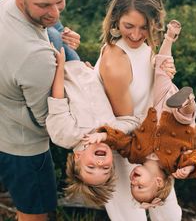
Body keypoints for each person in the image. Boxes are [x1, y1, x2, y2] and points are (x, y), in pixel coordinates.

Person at [84, 20, 196, 208]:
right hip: (176, 118)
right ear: (158, 182)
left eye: (132, 186)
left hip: (155, 107)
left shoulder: (135, 155)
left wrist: (103, 134)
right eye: (139, 187)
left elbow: (121, 141)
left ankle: (169, 38)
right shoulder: (174, 165)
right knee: (184, 114)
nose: (133, 182)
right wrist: (190, 168)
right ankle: (188, 100)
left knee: (161, 71)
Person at [45, 28, 175, 207]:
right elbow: (132, 121)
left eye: (91, 167)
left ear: (78, 158)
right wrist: (92, 74)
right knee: (55, 26)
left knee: (50, 32)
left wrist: (59, 67)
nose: (99, 162)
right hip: (77, 63)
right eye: (105, 168)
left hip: (60, 69)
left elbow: (57, 100)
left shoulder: (66, 136)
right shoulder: (111, 130)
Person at [94, 0, 182, 221]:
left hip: (151, 141)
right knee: (131, 218)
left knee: (170, 215)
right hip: (126, 148)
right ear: (116, 20)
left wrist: (160, 70)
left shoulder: (144, 48)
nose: (136, 34)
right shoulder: (115, 62)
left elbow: (149, 90)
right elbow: (128, 123)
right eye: (128, 26)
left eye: (144, 27)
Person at [0, 0, 80, 221]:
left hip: (5, 119)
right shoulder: (34, 56)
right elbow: (44, 120)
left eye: (60, 1)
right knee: (35, 213)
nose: (56, 12)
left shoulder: (8, 4)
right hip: (23, 148)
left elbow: (52, 24)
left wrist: (58, 34)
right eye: (45, 5)